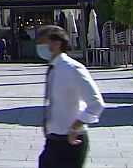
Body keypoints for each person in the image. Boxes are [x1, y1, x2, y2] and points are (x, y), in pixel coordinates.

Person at [37, 25, 105, 168]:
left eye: (43, 42)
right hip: (53, 140)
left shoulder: (72, 68)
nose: (39, 47)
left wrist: (75, 126)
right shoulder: (54, 68)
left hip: (71, 141)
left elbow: (96, 104)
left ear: (56, 44)